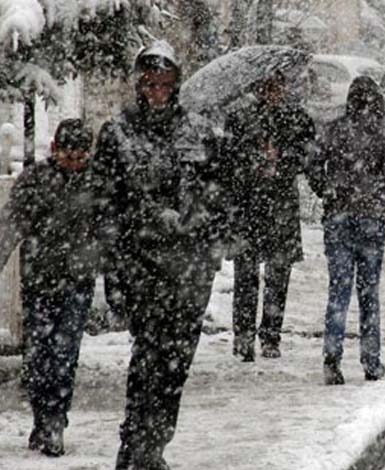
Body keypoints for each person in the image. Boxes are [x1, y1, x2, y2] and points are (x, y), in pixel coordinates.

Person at [90, 40, 224, 470]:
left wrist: (201, 226)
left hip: (189, 269)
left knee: (175, 366)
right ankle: (135, 447)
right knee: (148, 359)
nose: (157, 92)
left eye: (165, 83)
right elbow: (105, 205)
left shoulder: (198, 131)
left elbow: (216, 196)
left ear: (176, 85)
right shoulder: (118, 132)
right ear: (138, 84)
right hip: (142, 265)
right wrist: (114, 269)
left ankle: (156, 446)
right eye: (150, 83)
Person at [0, 119, 96, 457]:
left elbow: (111, 231)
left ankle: (56, 419)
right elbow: (10, 224)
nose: (74, 162)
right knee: (39, 354)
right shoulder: (35, 181)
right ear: (55, 150)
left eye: (81, 156)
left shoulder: (96, 183)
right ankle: (43, 417)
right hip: (41, 280)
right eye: (69, 154)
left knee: (65, 355)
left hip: (77, 281)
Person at [308, 76, 385, 385]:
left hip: (338, 217)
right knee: (369, 292)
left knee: (339, 290)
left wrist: (328, 191)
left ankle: (332, 357)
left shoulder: (334, 129)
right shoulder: (384, 133)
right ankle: (371, 359)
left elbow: (312, 164)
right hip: (370, 220)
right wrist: (379, 201)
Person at [223, 70, 317, 362]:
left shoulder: (297, 119)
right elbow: (228, 159)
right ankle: (243, 336)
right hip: (248, 205)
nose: (272, 91)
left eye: (277, 85)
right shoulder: (239, 119)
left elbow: (307, 155)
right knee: (246, 274)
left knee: (278, 274)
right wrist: (252, 162)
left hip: (280, 205)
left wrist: (282, 160)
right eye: (266, 86)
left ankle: (270, 335)